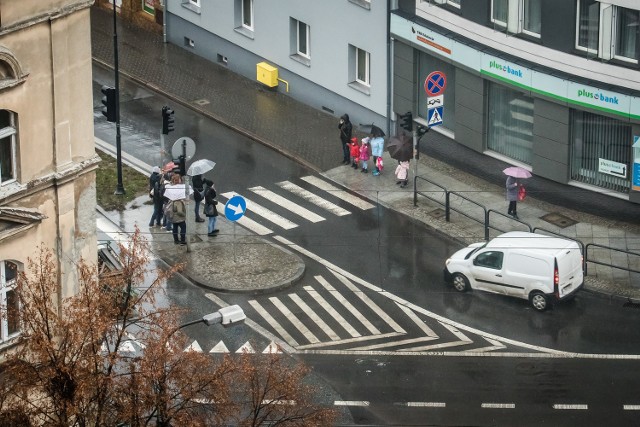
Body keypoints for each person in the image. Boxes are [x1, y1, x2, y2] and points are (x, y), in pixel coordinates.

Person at [165, 174, 187, 244]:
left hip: (173, 216)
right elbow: (180, 211)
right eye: (180, 179)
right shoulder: (178, 200)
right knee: (183, 228)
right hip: (180, 218)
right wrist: (184, 215)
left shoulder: (171, 189)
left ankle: (176, 240)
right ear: (178, 180)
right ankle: (183, 241)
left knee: (175, 228)